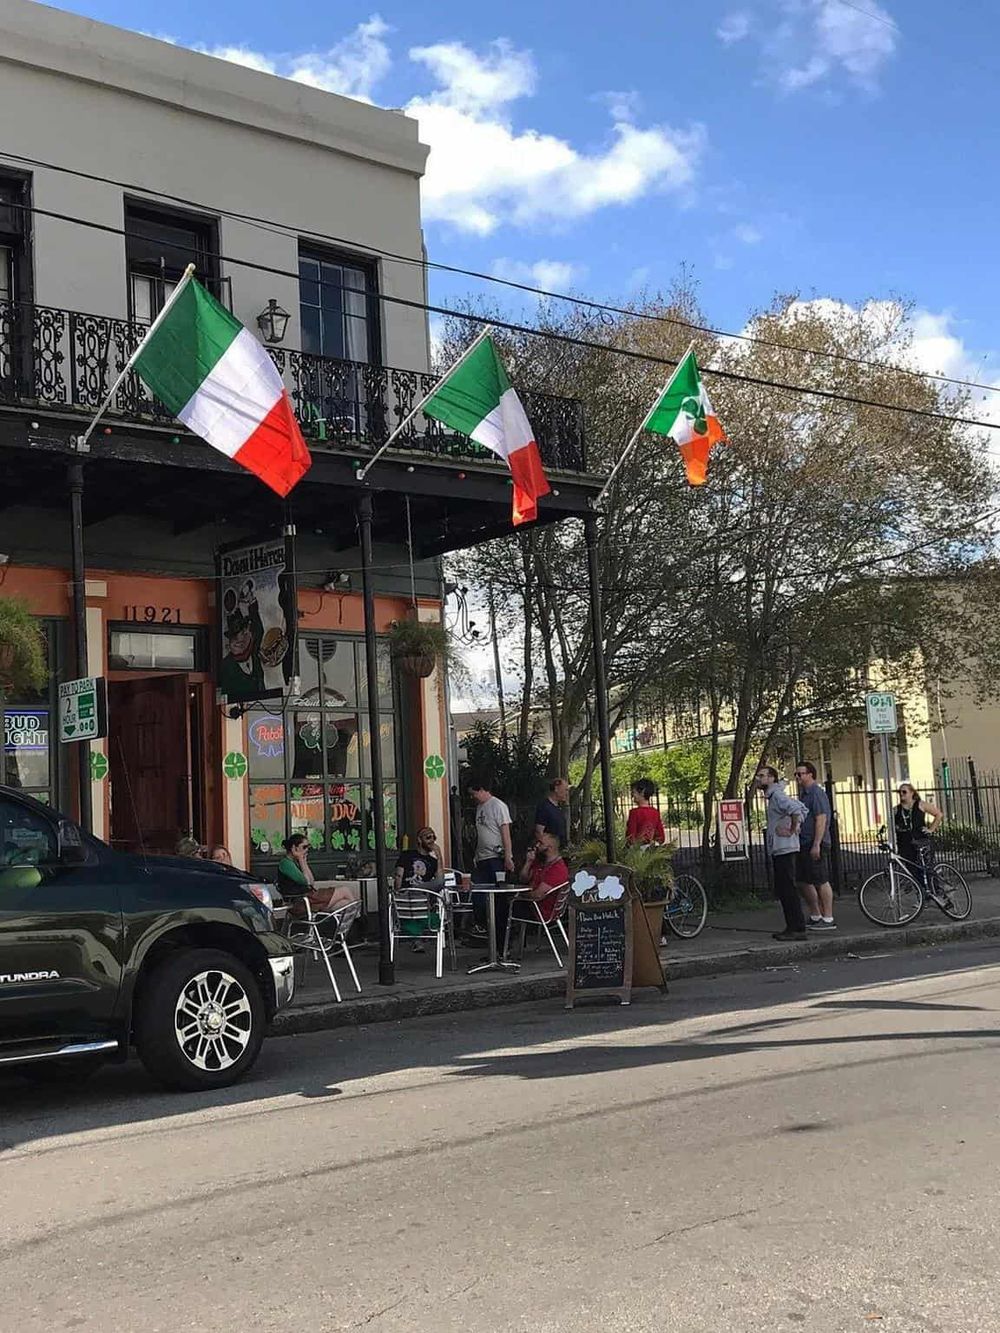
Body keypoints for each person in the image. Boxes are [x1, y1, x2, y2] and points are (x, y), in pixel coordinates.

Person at [755, 766, 809, 941]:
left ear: (771, 778)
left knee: (788, 890)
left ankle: (797, 928)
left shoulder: (777, 795)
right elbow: (802, 810)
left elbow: (795, 810)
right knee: (785, 889)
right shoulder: (774, 795)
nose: (758, 779)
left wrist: (792, 829)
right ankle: (792, 926)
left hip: (784, 849)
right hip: (781, 848)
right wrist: (796, 825)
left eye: (762, 776)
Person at [467, 779, 515, 947]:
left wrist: (508, 855)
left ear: (482, 789)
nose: (473, 797)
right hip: (482, 857)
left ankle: (502, 942)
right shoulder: (480, 808)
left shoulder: (498, 806)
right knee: (480, 895)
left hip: (495, 857)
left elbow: (505, 832)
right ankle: (487, 933)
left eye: (474, 793)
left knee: (497, 900)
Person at [794, 761, 836, 931]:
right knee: (804, 880)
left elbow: (821, 818)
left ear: (810, 774)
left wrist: (817, 843)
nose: (797, 777)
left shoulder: (816, 794)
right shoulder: (804, 794)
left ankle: (828, 917)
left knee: (820, 879)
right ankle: (815, 913)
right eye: (796, 774)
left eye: (800, 774)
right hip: (804, 841)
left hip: (815, 841)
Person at [508, 828, 570, 940]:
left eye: (540, 843)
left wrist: (519, 895)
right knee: (503, 902)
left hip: (540, 910)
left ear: (549, 848)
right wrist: (529, 862)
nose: (536, 845)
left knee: (502, 906)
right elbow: (523, 879)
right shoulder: (541, 862)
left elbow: (538, 895)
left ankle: (502, 948)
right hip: (533, 905)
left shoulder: (557, 869)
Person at [276, 833, 359, 916]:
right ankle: (358, 918)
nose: (307, 850)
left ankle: (356, 919)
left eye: (308, 847)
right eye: (304, 847)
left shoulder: (295, 862)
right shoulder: (286, 863)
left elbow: (311, 882)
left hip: (309, 900)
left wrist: (304, 861)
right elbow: (306, 882)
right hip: (301, 902)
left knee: (345, 903)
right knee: (345, 890)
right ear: (294, 848)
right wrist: (301, 859)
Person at [394, 827, 445, 953]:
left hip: (424, 895)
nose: (432, 840)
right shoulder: (407, 855)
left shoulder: (433, 861)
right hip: (407, 896)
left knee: (439, 882)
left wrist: (439, 857)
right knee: (414, 896)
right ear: (419, 839)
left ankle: (416, 939)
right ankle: (416, 939)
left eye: (434, 837)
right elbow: (398, 875)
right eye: (428, 837)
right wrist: (398, 892)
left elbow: (439, 880)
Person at [894, 782, 943, 886]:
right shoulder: (896, 809)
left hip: (921, 841)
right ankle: (922, 894)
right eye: (900, 792)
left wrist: (931, 829)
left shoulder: (920, 804)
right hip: (905, 843)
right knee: (912, 870)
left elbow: (938, 814)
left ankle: (936, 890)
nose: (901, 794)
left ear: (912, 793)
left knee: (926, 868)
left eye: (904, 792)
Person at [626, 779, 666, 845]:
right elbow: (661, 837)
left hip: (636, 851)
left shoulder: (634, 813)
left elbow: (630, 837)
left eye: (634, 792)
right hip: (650, 851)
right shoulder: (655, 812)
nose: (632, 795)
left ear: (642, 792)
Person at [534, 777, 569, 849]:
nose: (567, 793)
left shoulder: (558, 808)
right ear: (556, 789)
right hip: (550, 854)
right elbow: (539, 832)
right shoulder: (544, 807)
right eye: (565, 789)